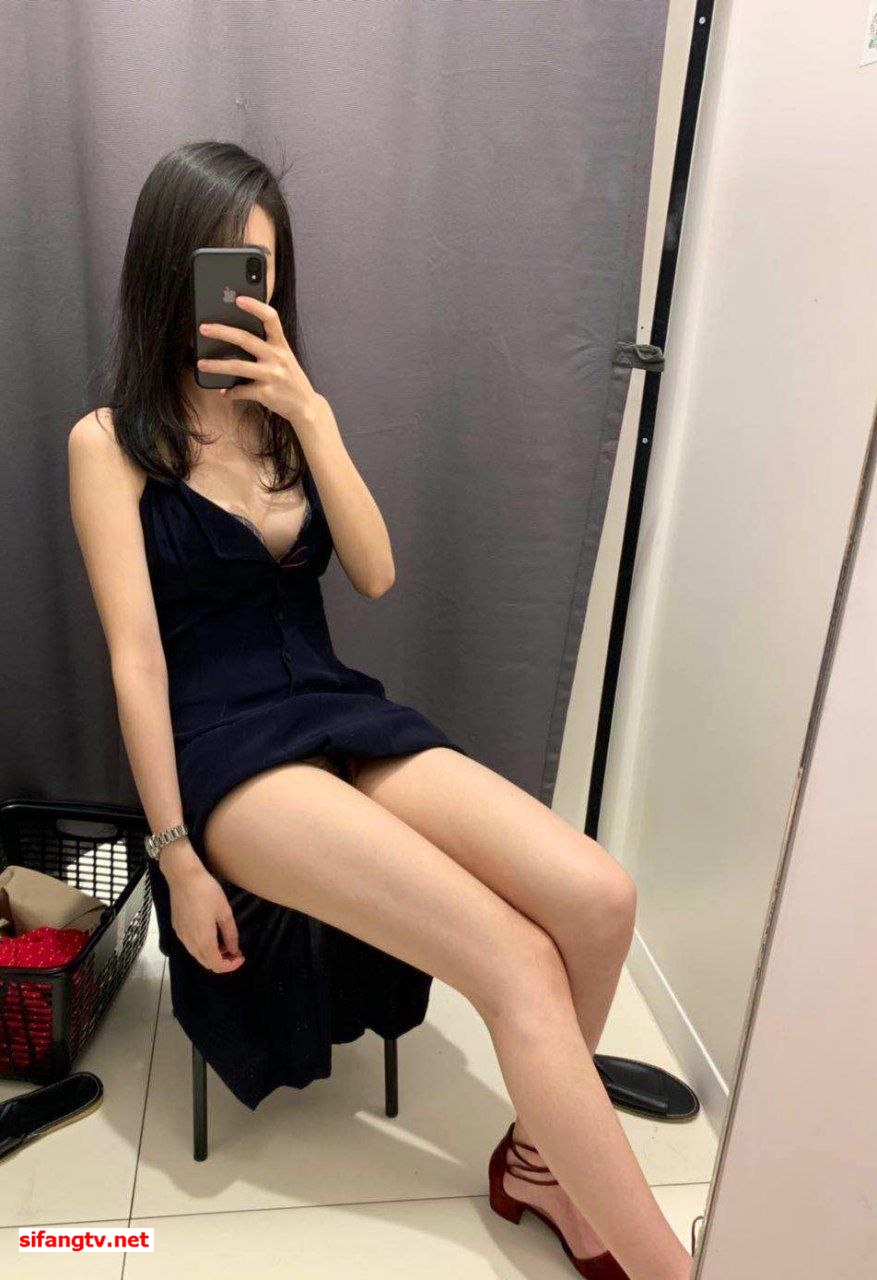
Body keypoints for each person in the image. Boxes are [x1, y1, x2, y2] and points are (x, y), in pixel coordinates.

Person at [68, 141, 694, 1280]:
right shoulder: (110, 442)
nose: (246, 296)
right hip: (226, 753)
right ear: (170, 271)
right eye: (224, 267)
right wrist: (176, 854)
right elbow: (136, 662)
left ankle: (540, 1164)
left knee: (599, 900)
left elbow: (374, 571)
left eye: (263, 272)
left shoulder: (283, 419)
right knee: (514, 960)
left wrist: (310, 414)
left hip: (332, 709)